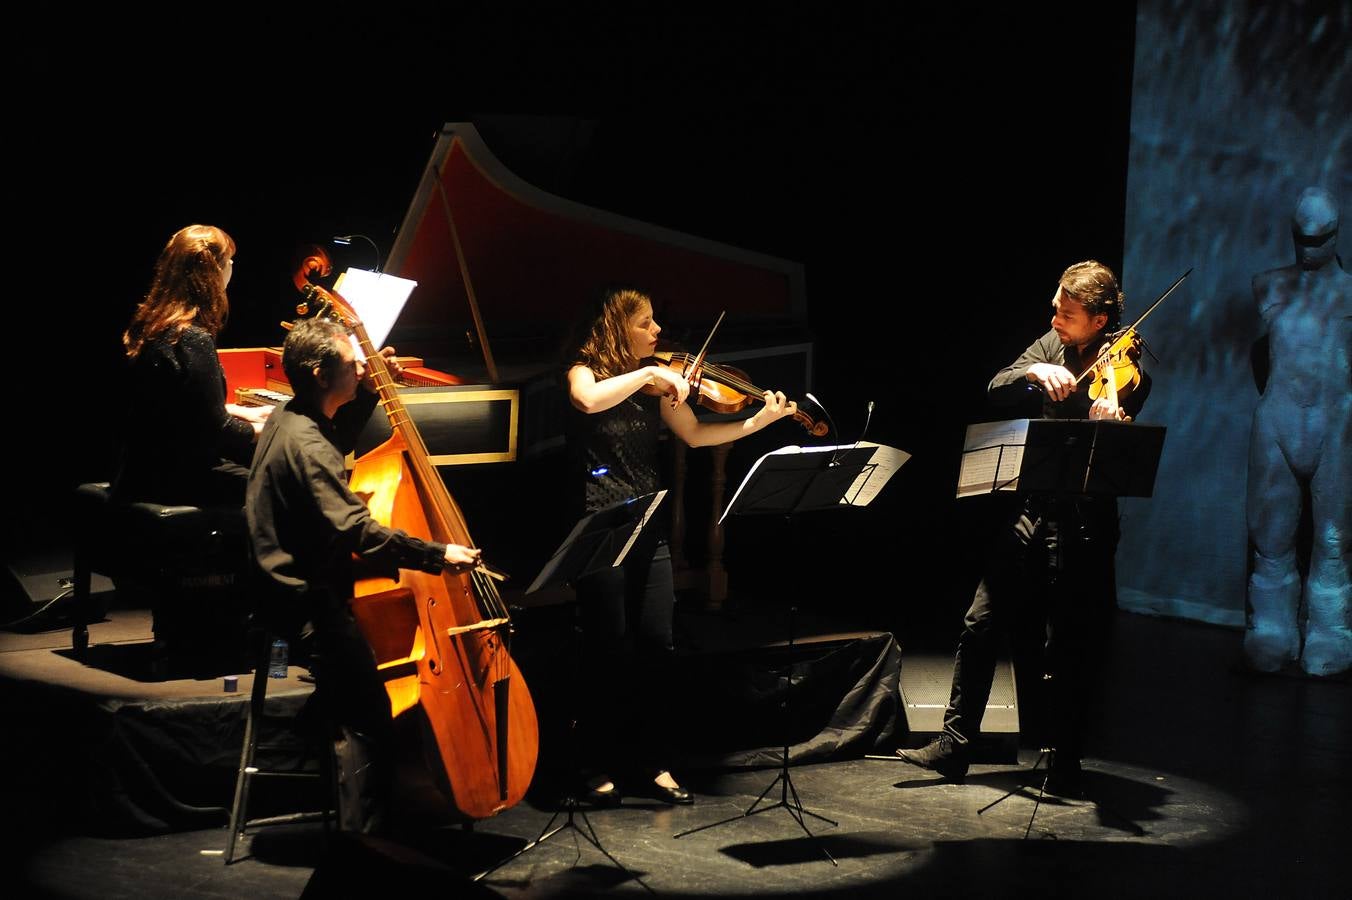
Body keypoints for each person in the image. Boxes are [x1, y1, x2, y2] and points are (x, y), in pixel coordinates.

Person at [896, 261, 1151, 797]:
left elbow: (1123, 407)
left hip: (1083, 523)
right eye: (1056, 307)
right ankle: (955, 745)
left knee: (1068, 644)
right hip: (1032, 510)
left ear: (1100, 320)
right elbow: (997, 385)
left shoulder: (1125, 367)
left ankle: (1066, 761)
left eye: (1067, 313)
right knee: (980, 621)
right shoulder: (1051, 344)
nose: (1055, 318)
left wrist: (1108, 420)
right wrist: (1034, 372)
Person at [564, 286, 800, 805]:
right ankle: (594, 761)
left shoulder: (657, 385)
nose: (657, 331)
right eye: (645, 323)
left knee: (658, 644)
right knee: (607, 648)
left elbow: (695, 434)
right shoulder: (585, 371)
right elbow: (587, 400)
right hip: (601, 527)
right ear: (617, 327)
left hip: (648, 525)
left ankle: (653, 762)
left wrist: (756, 422)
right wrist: (649, 374)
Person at [246, 316, 482, 834]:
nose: (362, 368)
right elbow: (358, 532)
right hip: (305, 603)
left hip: (282, 587)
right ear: (319, 373)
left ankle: (329, 727)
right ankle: (367, 842)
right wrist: (437, 553)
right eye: (352, 364)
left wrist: (373, 390)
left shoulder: (291, 416)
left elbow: (333, 438)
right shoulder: (308, 446)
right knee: (374, 714)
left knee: (363, 693)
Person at [1245, 187, 1351, 677]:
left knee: (1333, 541)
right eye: (1303, 239)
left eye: (1320, 239)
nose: (1310, 248)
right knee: (1271, 536)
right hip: (1278, 420)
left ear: (1335, 236)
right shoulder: (1269, 285)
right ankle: (1271, 629)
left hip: (1336, 423)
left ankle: (1330, 631)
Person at [113, 224, 273, 507]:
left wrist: (241, 411)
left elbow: (179, 409)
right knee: (280, 489)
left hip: (140, 471)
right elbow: (219, 431)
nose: (233, 266)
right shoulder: (191, 338)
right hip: (174, 479)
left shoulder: (151, 325)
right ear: (212, 271)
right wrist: (274, 427)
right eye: (228, 260)